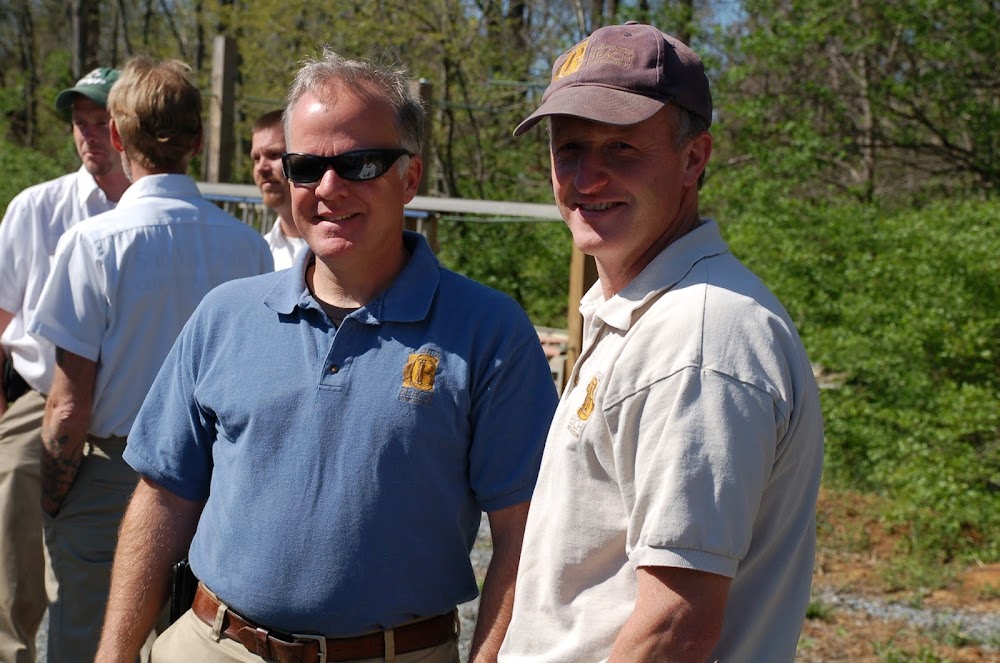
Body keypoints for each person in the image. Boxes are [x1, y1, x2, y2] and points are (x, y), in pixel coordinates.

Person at [95, 50, 557, 663]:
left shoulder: (488, 331)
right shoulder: (224, 315)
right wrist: (115, 654)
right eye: (308, 166)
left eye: (361, 163)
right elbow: (162, 498)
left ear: (410, 178)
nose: (329, 188)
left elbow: (524, 534)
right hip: (212, 645)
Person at [499, 22, 825, 662]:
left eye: (622, 149)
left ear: (694, 157)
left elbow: (674, 626)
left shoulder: (698, 339)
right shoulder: (645, 312)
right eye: (569, 149)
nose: (586, 177)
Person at [27, 56, 273, 662]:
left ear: (116, 135)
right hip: (213, 481)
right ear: (197, 140)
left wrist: (55, 494)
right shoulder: (248, 248)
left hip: (110, 472)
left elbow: (67, 404)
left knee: (86, 642)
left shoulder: (93, 243)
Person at [0, 66, 130, 663]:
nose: (88, 137)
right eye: (80, 125)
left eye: (100, 123)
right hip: (37, 394)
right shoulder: (36, 207)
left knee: (112, 566)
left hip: (128, 402)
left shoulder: (153, 211)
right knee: (11, 538)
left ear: (127, 126)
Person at [251, 109, 307, 269]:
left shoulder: (340, 248)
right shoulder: (261, 250)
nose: (261, 167)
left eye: (274, 155)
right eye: (256, 158)